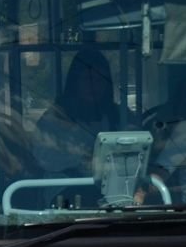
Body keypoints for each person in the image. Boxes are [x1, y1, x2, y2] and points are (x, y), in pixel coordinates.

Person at [33, 48, 123, 177]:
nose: (93, 86)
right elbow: (43, 159)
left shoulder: (119, 114)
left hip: (114, 186)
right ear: (75, 82)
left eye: (99, 80)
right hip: (65, 189)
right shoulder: (55, 117)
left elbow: (138, 140)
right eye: (87, 79)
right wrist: (81, 160)